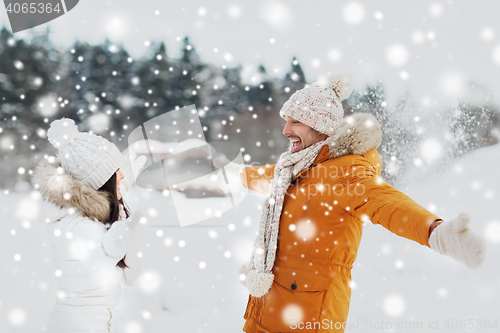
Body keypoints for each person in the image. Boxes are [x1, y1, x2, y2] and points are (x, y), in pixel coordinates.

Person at [237, 76, 486, 332]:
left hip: (308, 317)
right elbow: (267, 176)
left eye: (295, 121)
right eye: (286, 121)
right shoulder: (295, 169)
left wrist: (434, 231)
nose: (285, 130)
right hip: (265, 311)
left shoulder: (346, 171)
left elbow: (386, 202)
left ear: (319, 125)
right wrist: (234, 176)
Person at [33, 118, 145, 333]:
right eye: (116, 171)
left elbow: (104, 192)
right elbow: (98, 260)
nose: (122, 175)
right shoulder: (80, 225)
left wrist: (131, 168)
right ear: (100, 181)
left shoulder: (81, 213)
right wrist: (118, 238)